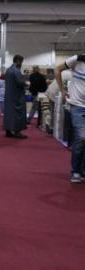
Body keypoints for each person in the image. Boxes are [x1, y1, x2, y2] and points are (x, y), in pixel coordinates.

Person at [54, 55, 85, 183]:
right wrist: (62, 90)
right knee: (81, 137)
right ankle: (76, 171)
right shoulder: (77, 59)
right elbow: (57, 69)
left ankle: (82, 170)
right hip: (77, 106)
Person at [4, 55, 28, 139]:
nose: (21, 64)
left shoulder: (8, 70)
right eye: (21, 62)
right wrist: (26, 83)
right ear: (17, 61)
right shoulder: (16, 70)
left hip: (9, 96)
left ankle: (8, 131)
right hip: (17, 96)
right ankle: (17, 132)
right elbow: (20, 82)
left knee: (9, 114)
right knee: (18, 114)